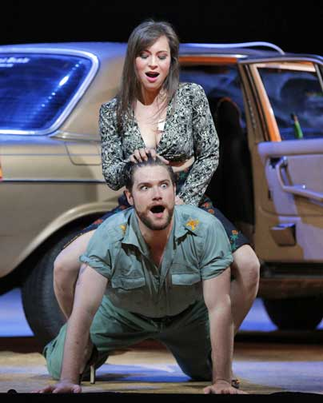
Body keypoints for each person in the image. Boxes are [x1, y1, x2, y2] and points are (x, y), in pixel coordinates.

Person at [54, 19, 259, 341]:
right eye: (145, 54)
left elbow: (210, 155)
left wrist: (184, 199)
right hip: (135, 207)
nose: (153, 64)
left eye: (161, 56)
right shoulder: (114, 111)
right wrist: (129, 162)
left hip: (190, 200)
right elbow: (111, 175)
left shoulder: (191, 96)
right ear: (133, 59)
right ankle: (83, 346)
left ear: (171, 61)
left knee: (249, 267)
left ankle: (217, 349)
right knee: (63, 266)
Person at [36, 158, 246, 394]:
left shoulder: (206, 229)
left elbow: (219, 307)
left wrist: (222, 382)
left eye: (164, 185)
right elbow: (83, 309)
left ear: (174, 190)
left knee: (206, 371)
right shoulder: (109, 234)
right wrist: (68, 380)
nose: (157, 195)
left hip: (186, 316)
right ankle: (88, 352)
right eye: (145, 188)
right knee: (59, 365)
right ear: (130, 197)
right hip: (123, 314)